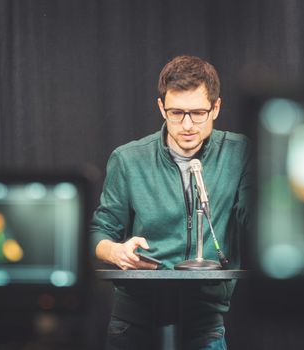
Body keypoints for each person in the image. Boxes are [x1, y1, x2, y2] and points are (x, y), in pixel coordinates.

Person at [90, 55, 251, 350]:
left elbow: (254, 220)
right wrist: (116, 251)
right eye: (176, 112)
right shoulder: (128, 159)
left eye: (198, 113)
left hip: (205, 317)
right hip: (134, 319)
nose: (187, 125)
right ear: (161, 107)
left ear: (216, 108)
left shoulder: (239, 153)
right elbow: (97, 234)